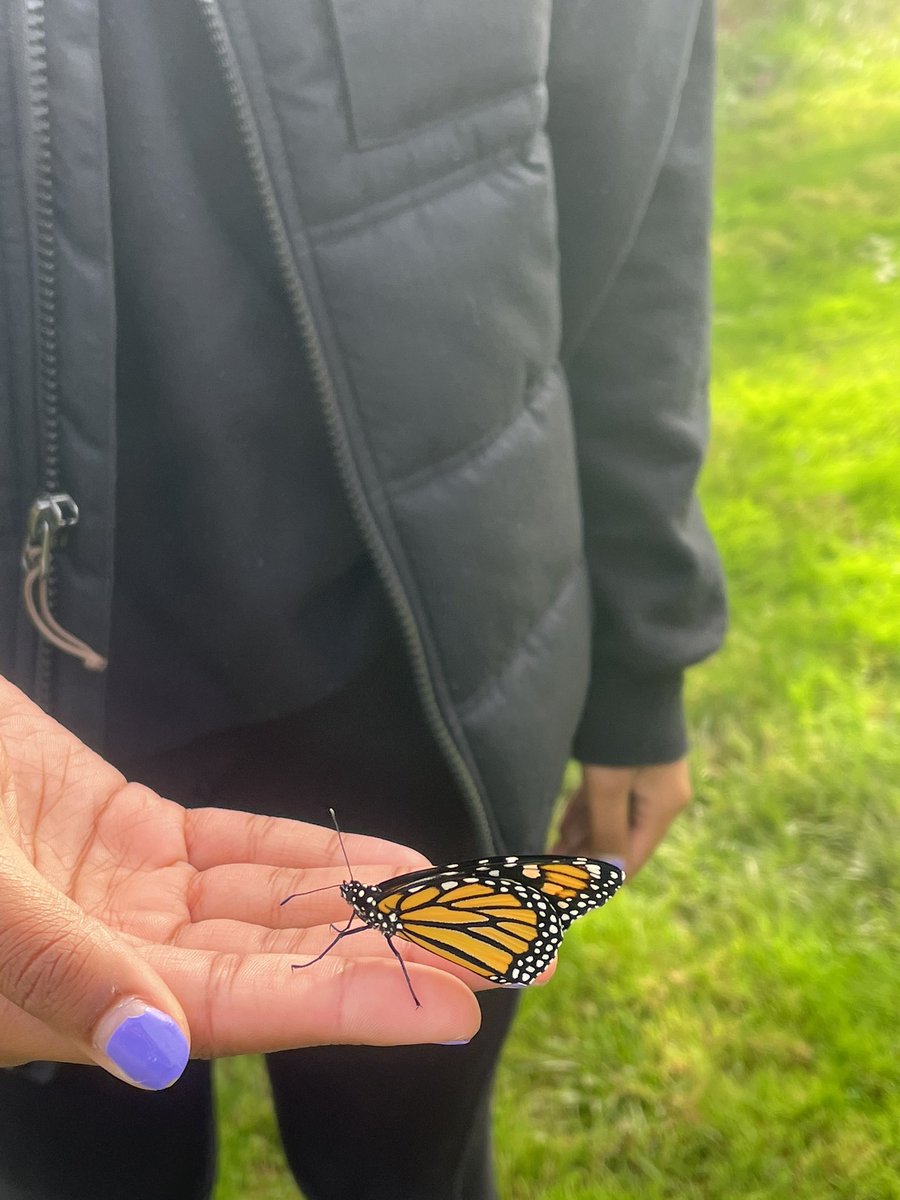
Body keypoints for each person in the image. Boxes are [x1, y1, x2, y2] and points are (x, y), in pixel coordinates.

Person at [0, 0, 725, 1196]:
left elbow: (640, 198)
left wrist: (645, 663)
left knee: (413, 1157)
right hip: (40, 736)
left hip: (424, 689)